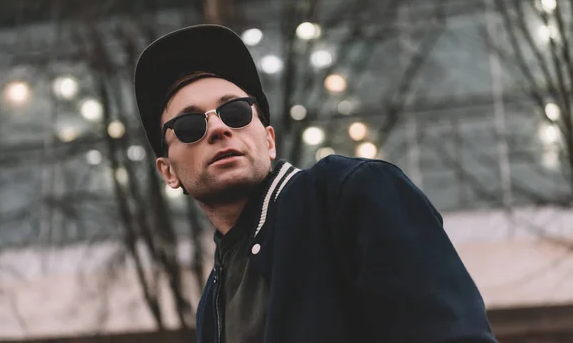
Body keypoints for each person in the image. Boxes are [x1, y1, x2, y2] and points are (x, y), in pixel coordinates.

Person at [134, 24, 498, 343]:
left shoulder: (352, 195)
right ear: (168, 171)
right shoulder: (213, 302)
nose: (218, 128)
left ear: (270, 140)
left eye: (236, 112)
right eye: (190, 126)